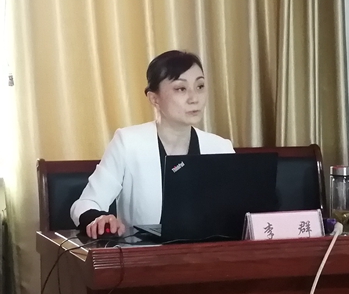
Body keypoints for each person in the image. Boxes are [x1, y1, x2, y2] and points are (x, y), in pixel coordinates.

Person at [70, 50, 235, 239]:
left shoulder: (220, 147)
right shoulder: (128, 143)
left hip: (212, 253)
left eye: (200, 86)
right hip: (145, 254)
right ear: (154, 99)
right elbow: (86, 203)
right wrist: (99, 219)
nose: (194, 98)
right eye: (181, 89)